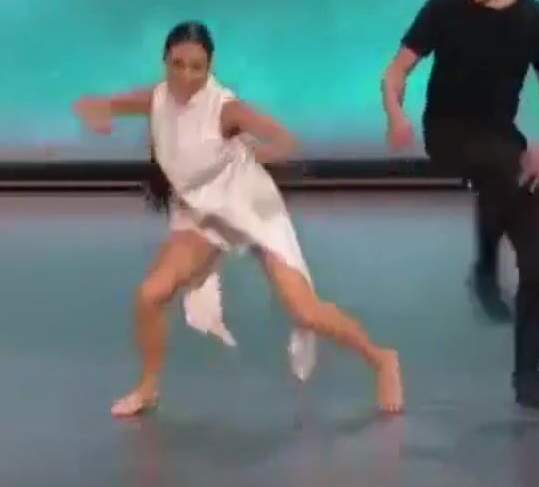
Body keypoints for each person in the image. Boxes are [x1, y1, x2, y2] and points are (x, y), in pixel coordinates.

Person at [74, 21, 403, 418]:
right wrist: (96, 113)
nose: (186, 76)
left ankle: (381, 358)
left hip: (250, 210)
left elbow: (285, 141)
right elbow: (95, 103)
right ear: (165, 61)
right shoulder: (157, 97)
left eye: (197, 67)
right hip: (202, 216)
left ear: (209, 67)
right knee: (150, 294)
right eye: (178, 64)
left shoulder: (225, 108)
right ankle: (147, 387)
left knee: (304, 310)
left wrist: (249, 162)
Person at [380, 0, 539, 412]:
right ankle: (485, 267)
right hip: (447, 132)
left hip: (502, 139)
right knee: (499, 167)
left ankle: (528, 373)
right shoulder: (443, 8)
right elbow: (396, 71)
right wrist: (396, 115)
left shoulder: (538, 20)